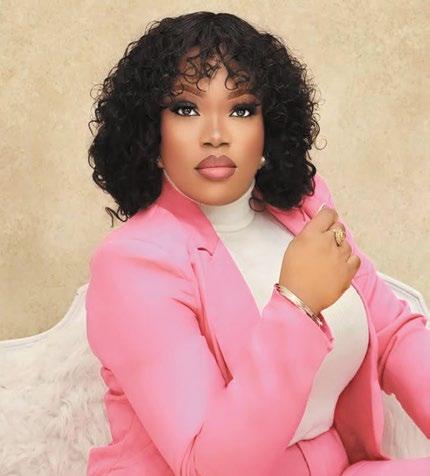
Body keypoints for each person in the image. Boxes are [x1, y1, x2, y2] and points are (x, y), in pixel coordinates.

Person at [85, 11, 430, 475]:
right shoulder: (134, 263)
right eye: (186, 109)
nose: (215, 136)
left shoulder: (303, 209)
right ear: (150, 132)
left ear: (269, 126)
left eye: (241, 109)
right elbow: (210, 465)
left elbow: (393, 336)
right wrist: (298, 303)